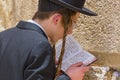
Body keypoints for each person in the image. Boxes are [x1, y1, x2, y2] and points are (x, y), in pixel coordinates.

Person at [0, 0, 97, 80]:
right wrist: (68, 77)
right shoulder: (41, 46)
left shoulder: (3, 36)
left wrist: (47, 68)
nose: (70, 31)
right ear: (57, 19)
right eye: (72, 22)